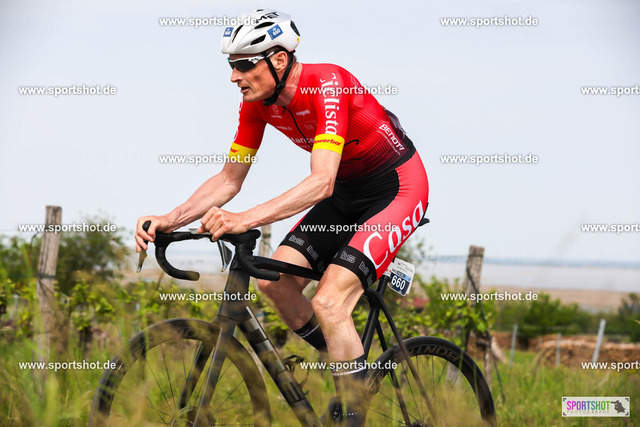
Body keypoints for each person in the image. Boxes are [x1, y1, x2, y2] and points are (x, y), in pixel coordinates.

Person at [135, 8, 429, 425]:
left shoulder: (328, 84)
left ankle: (353, 411)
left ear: (278, 59)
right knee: (273, 283)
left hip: (395, 189)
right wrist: (171, 218)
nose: (234, 77)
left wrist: (244, 219)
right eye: (231, 65)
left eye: (244, 65)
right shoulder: (257, 106)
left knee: (329, 302)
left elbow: (321, 181)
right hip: (346, 195)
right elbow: (229, 179)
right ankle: (352, 369)